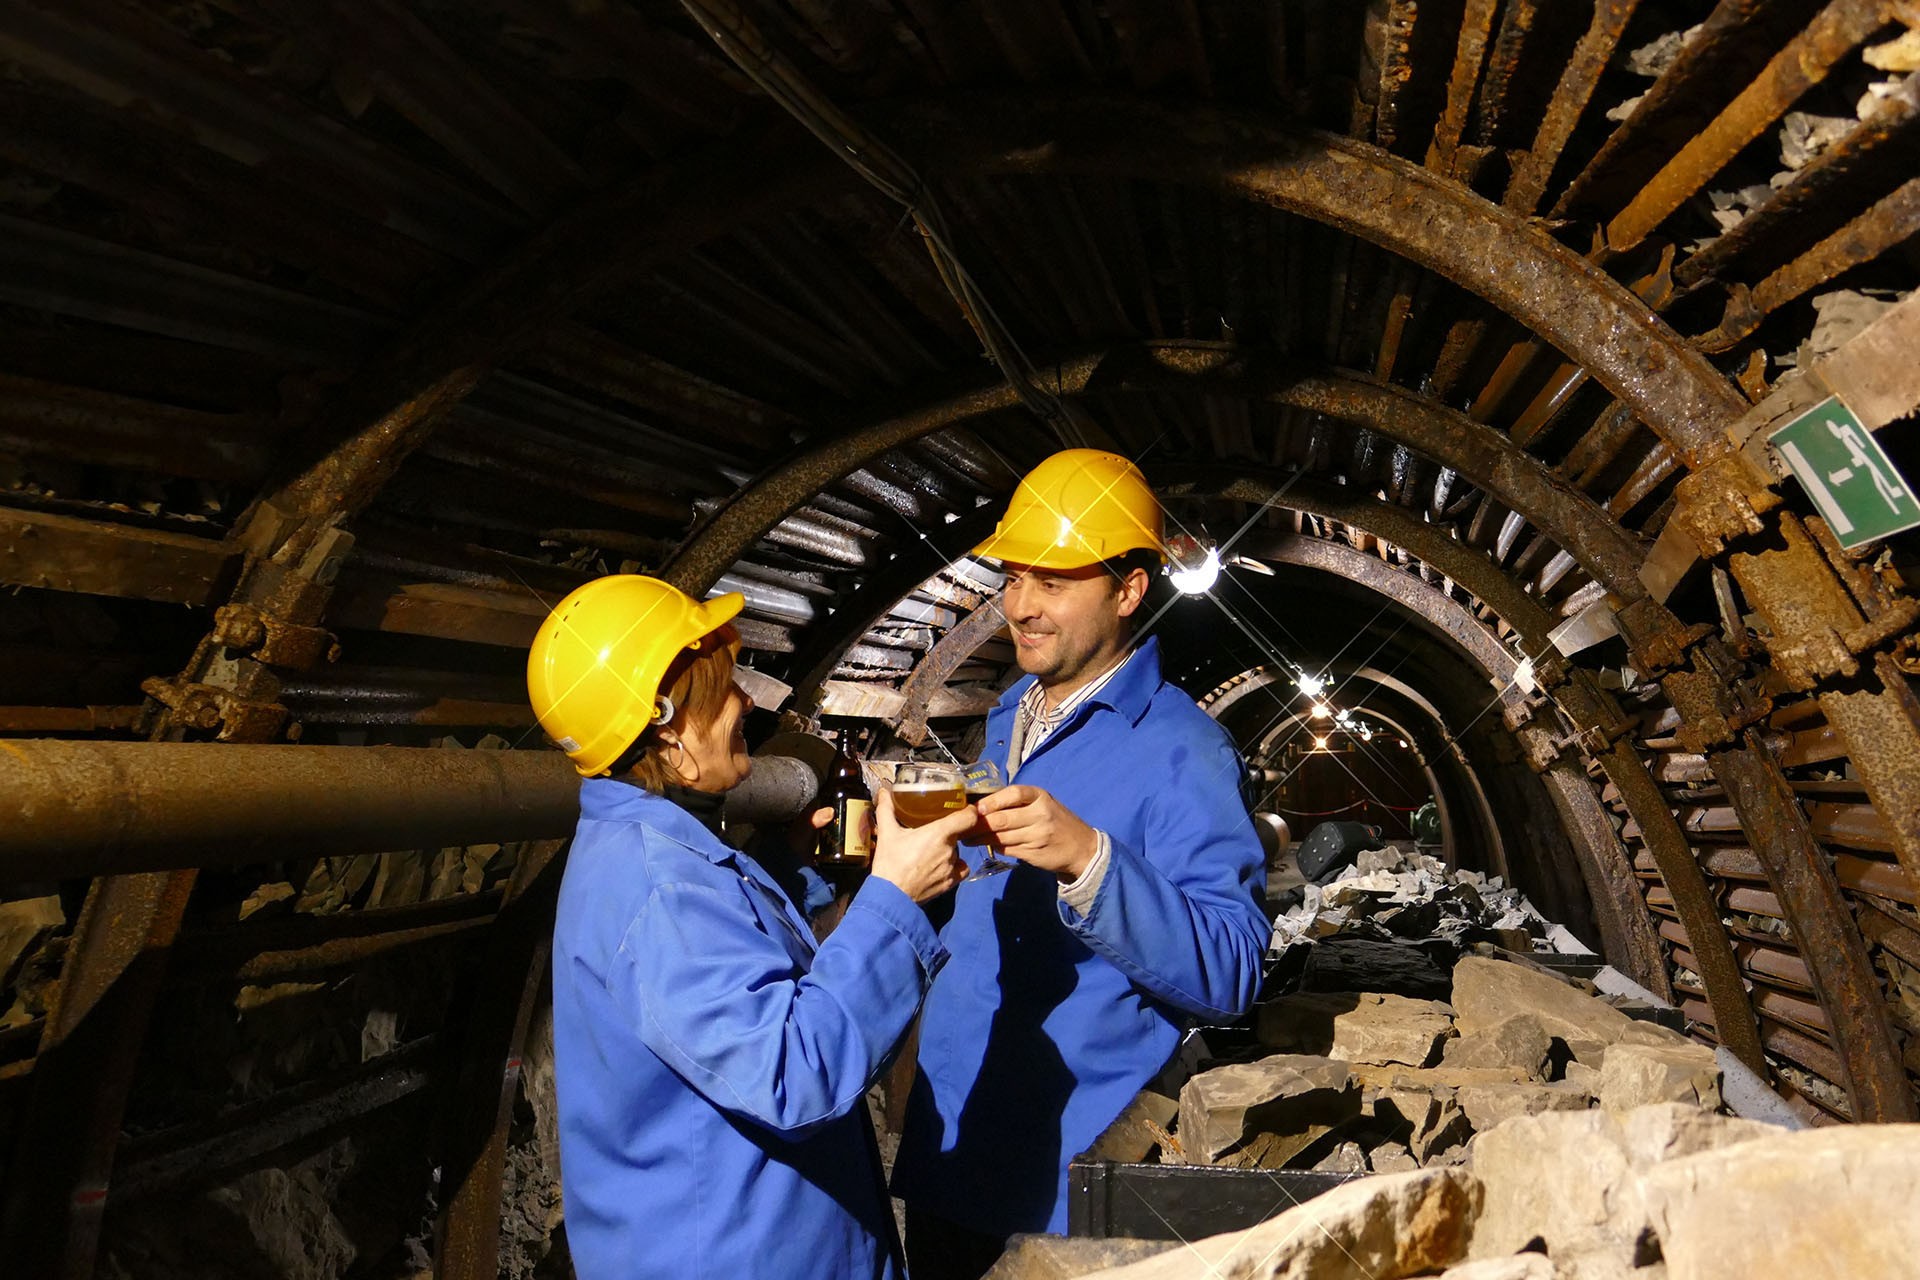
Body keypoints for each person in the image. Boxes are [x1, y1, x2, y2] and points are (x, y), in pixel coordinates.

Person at [528, 575, 977, 1280]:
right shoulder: (660, 887)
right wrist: (893, 897)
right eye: (724, 687)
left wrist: (788, 873)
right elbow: (794, 1072)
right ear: (664, 721)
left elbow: (718, 1002)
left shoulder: (653, 854)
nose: (743, 701)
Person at [891, 449, 1270, 1278]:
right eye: (1014, 576)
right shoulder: (1004, 719)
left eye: (1052, 582)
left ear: (1129, 590)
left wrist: (1090, 861)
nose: (1018, 606)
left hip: (1067, 1181)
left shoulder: (1184, 750)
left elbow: (1235, 969)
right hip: (953, 1139)